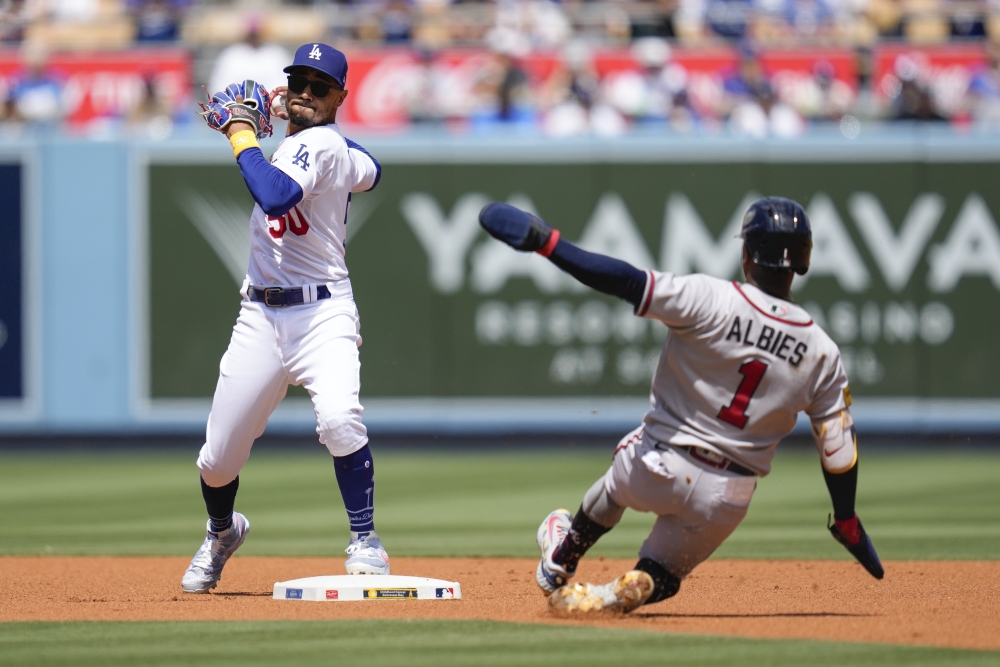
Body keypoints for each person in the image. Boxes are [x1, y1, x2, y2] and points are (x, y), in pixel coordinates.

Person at [478, 198, 883, 614]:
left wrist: (550, 244)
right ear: (804, 260)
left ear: (746, 253)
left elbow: (623, 280)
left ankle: (563, 555)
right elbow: (838, 452)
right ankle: (630, 586)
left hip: (656, 464)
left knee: (619, 475)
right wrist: (847, 521)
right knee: (666, 573)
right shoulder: (822, 352)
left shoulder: (711, 298)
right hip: (727, 497)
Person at [181, 43, 387, 594]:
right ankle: (222, 532)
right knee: (217, 461)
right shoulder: (329, 148)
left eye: (320, 87)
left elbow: (274, 196)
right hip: (260, 316)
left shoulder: (319, 144)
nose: (306, 93)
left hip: (323, 312)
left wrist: (242, 133)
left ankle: (365, 538)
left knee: (341, 417)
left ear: (341, 96)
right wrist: (303, 134)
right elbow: (374, 168)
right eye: (298, 82)